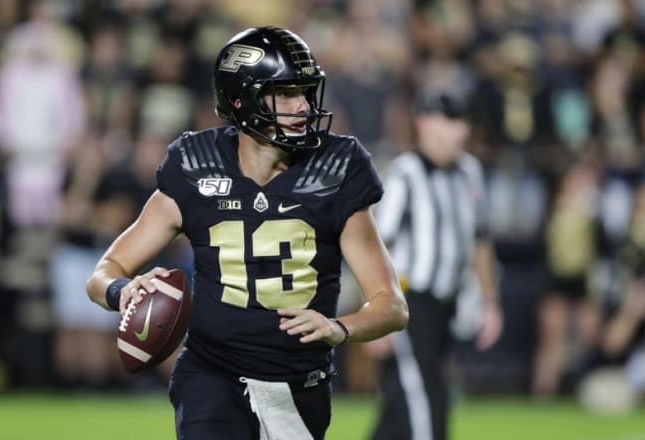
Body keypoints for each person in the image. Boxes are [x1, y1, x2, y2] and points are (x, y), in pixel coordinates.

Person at [86, 26, 408, 439]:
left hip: (298, 385)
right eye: (287, 93)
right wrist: (121, 291)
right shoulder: (195, 166)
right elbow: (104, 271)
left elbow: (392, 306)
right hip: (212, 376)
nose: (303, 106)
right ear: (242, 100)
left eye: (306, 93)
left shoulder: (336, 169)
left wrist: (339, 328)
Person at [368, 87, 503, 440]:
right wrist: (373, 306)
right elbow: (377, 243)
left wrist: (489, 302)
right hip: (409, 300)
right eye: (450, 121)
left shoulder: (469, 172)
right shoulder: (405, 173)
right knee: (429, 394)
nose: (459, 131)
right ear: (425, 124)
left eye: (462, 122)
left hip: (447, 302)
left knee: (402, 399)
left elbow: (480, 241)